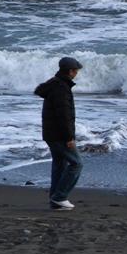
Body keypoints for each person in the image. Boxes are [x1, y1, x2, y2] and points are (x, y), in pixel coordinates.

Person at [34, 57, 83, 210]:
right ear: (70, 71)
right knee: (77, 164)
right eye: (76, 71)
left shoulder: (55, 84)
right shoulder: (61, 88)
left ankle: (55, 199)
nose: (77, 73)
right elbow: (64, 116)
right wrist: (69, 137)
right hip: (58, 135)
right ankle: (59, 196)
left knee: (60, 164)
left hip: (51, 133)